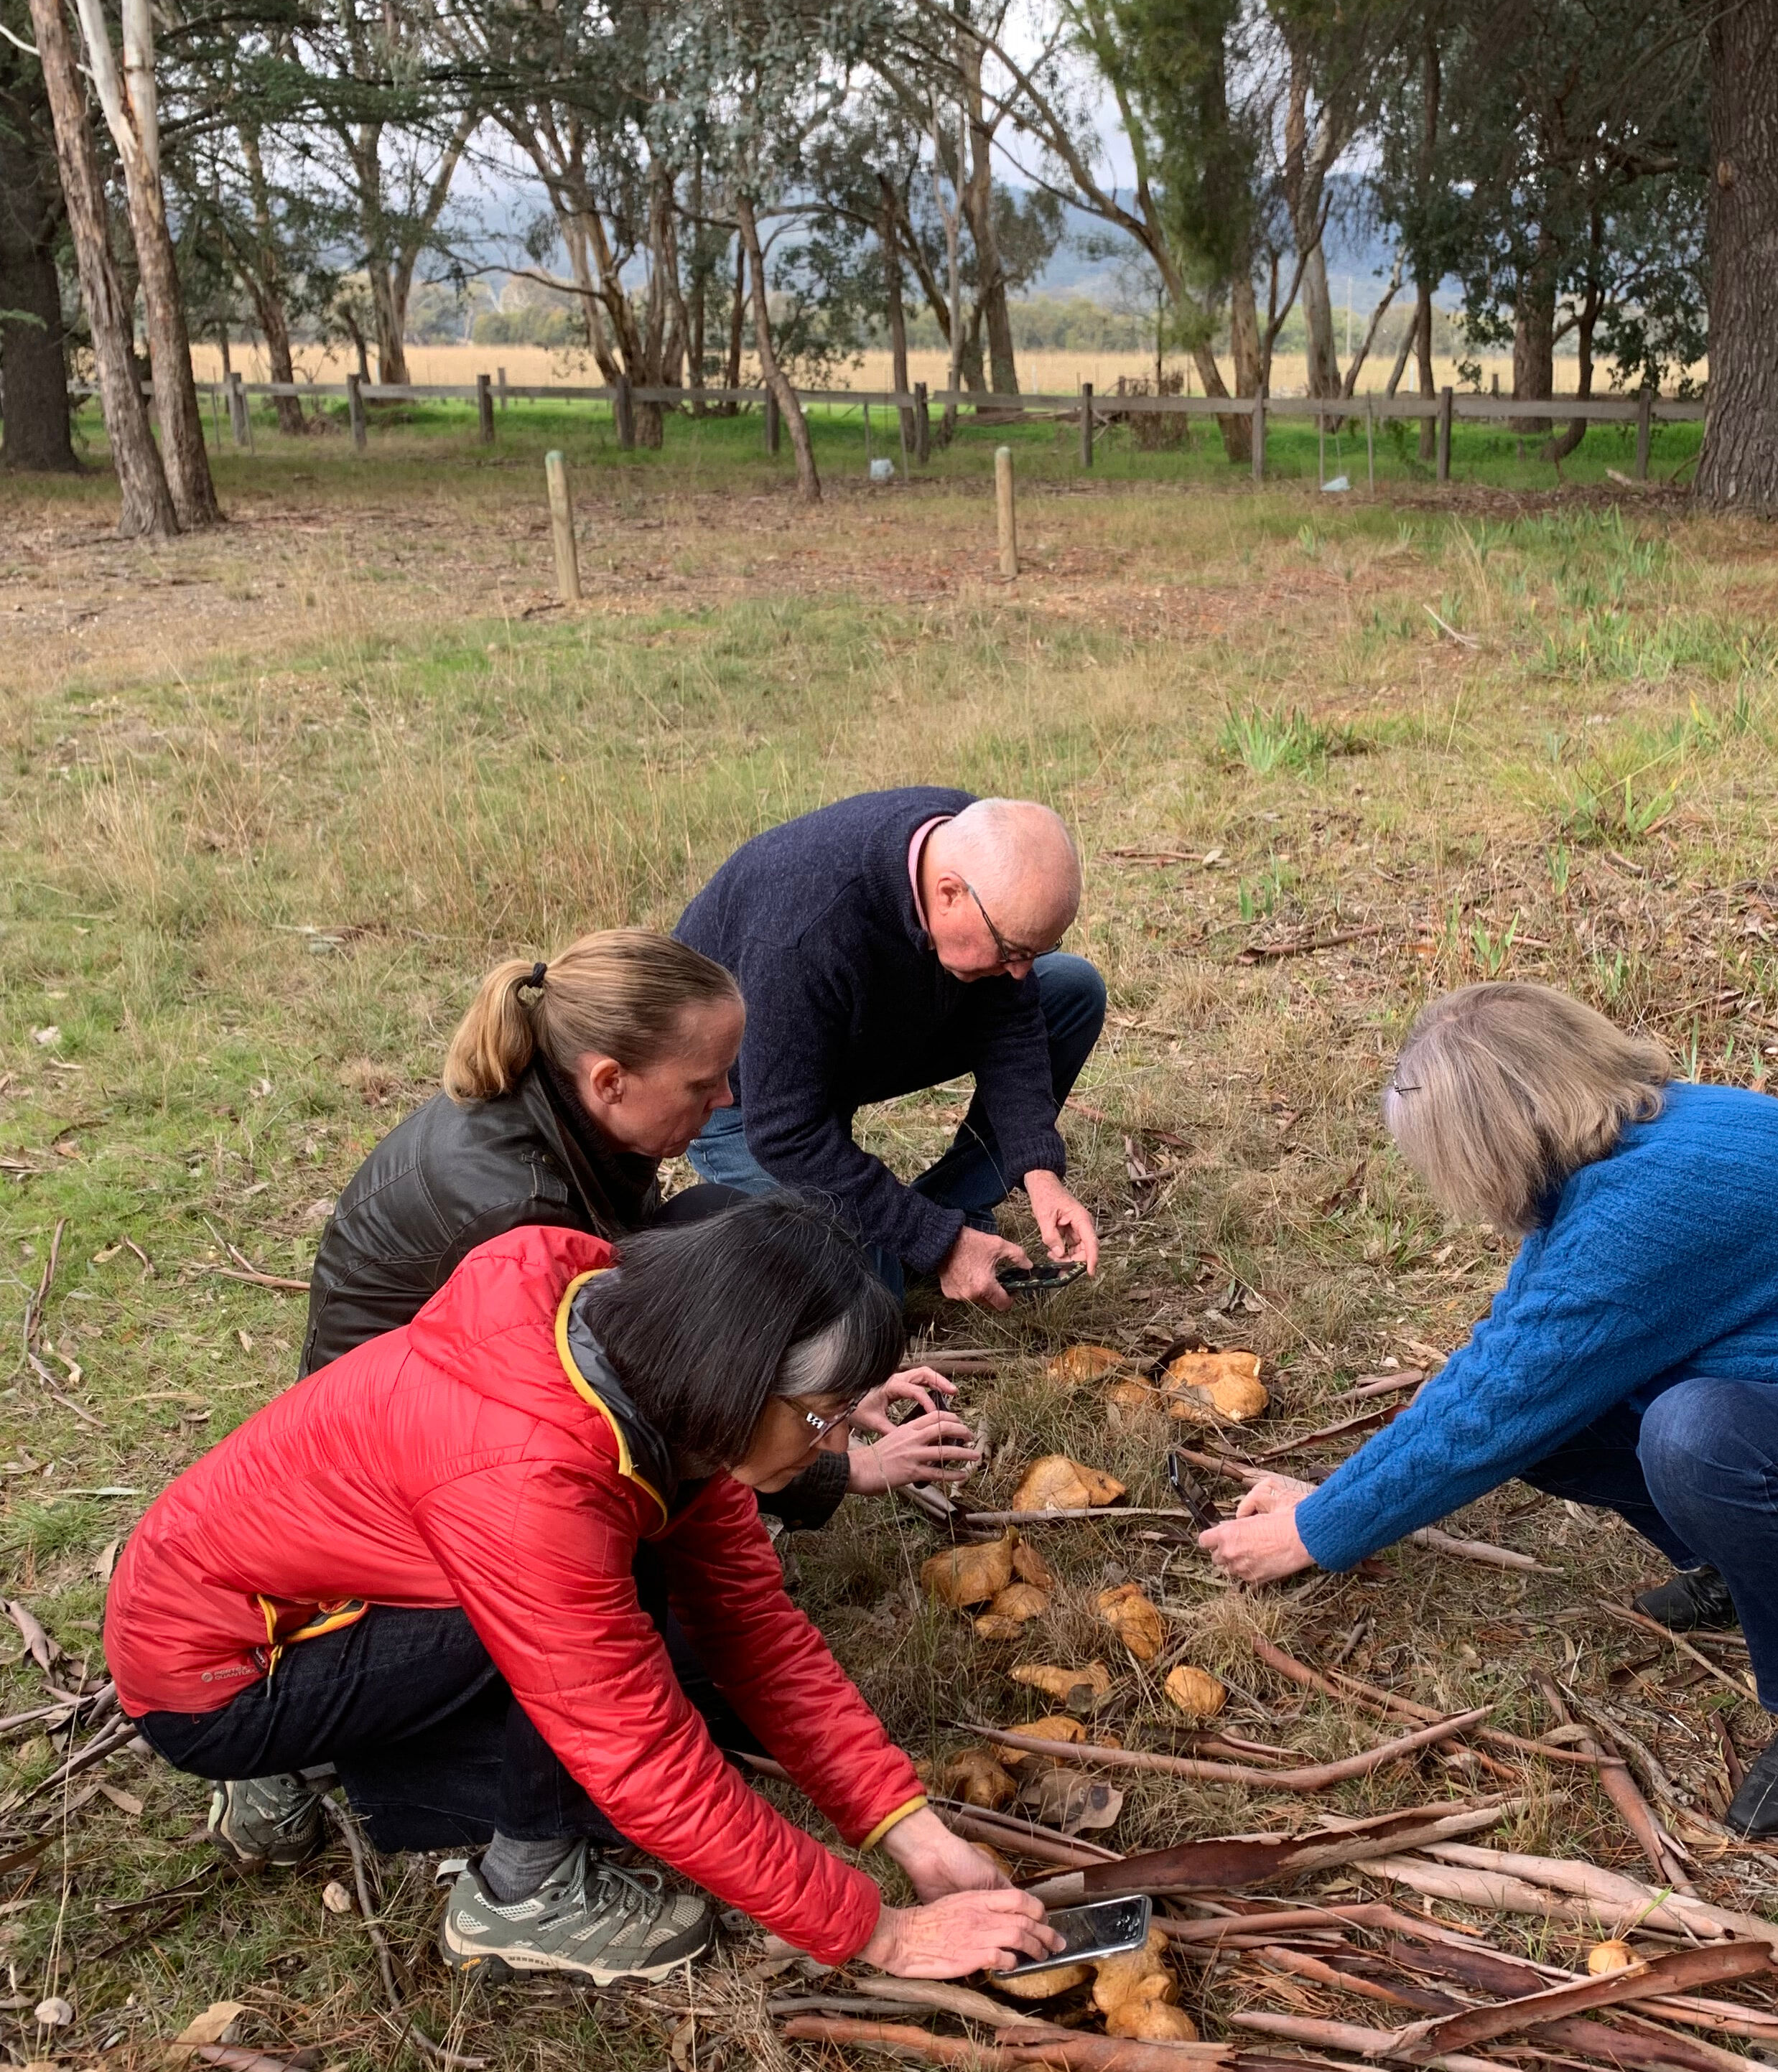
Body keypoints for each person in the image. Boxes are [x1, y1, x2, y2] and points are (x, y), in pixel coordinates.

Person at [1203, 982, 1778, 1839]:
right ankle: (1745, 1565)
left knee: (1698, 1436)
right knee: (1552, 1419)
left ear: (1491, 1139)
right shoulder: (1646, 1135)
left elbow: (1495, 1403)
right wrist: (1329, 1501)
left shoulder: (1655, 1206)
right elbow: (1504, 1363)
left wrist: (1315, 1532)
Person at [106, 1200, 1059, 1985]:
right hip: (221, 1682)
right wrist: (878, 1932)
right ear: (737, 1378)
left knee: (685, 1660)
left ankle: (323, 1763)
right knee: (630, 1635)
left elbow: (753, 1627)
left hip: (305, 1605)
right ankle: (522, 1897)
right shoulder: (534, 1476)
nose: (834, 1449)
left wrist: (911, 1832)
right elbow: (638, 1757)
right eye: (820, 1420)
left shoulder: (646, 1364)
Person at [224, 930, 978, 1876]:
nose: (727, 1102)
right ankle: (464, 1827)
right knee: (650, 1661)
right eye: (705, 1085)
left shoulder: (574, 1121)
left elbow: (675, 1314)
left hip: (457, 1446)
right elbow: (644, 1405)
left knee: (708, 1662)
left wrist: (818, 1369)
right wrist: (831, 1461)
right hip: (405, 1515)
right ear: (612, 1077)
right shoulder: (509, 1201)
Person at [676, 790, 1106, 1306]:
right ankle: (938, 1237)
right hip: (741, 1103)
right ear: (949, 895)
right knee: (876, 1295)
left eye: (1033, 953)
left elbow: (1009, 1021)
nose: (1019, 971)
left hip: (848, 1043)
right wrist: (936, 1244)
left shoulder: (971, 849)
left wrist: (1039, 1171)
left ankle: (953, 1206)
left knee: (1070, 990)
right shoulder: (803, 935)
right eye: (1013, 950)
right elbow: (785, 1131)